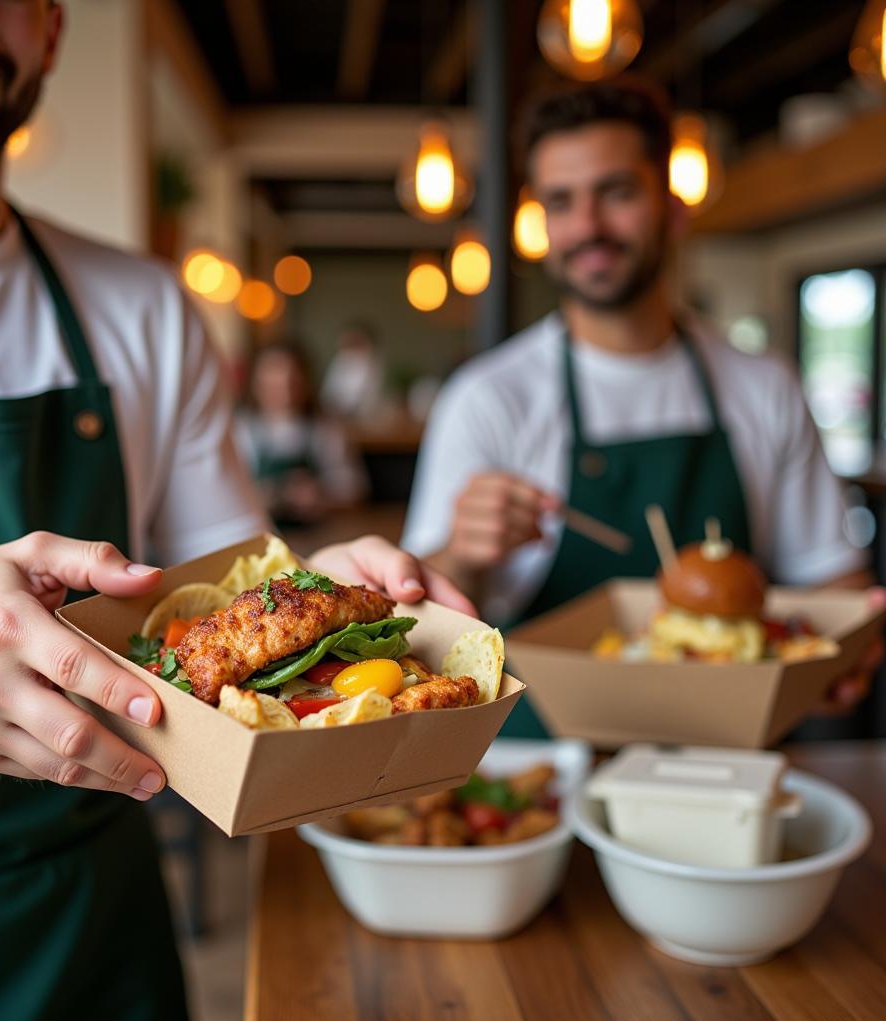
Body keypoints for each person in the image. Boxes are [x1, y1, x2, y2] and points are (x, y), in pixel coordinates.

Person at [0, 2, 474, 1020]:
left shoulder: (142, 309)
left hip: (99, 915)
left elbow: (204, 611)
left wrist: (332, 604)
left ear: (51, 31)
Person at [403, 78, 882, 737]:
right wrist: (463, 553)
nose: (588, 227)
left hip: (728, 754)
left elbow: (832, 587)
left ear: (672, 207)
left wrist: (835, 661)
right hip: (543, 762)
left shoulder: (763, 386)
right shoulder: (488, 398)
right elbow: (416, 634)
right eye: (561, 202)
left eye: (617, 192)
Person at [236, 341, 367, 528]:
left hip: (319, 537)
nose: (284, 389)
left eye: (292, 380)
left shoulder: (326, 430)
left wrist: (321, 496)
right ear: (256, 384)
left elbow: (355, 491)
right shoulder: (240, 430)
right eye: (274, 381)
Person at [319, 319, 386, 421]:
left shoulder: (370, 363)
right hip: (333, 418)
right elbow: (327, 394)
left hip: (363, 421)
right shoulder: (340, 360)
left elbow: (364, 401)